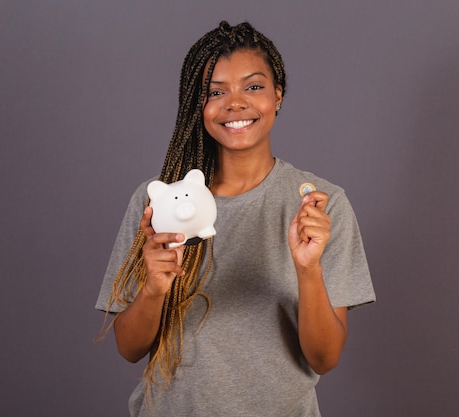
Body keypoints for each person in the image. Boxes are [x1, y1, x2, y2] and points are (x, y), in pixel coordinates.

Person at [96, 20, 375, 416]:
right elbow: (129, 348)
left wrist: (307, 268)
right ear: (199, 105)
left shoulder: (319, 206)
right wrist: (154, 288)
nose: (235, 102)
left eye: (254, 86)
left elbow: (324, 358)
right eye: (215, 92)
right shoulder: (157, 204)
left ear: (278, 95)